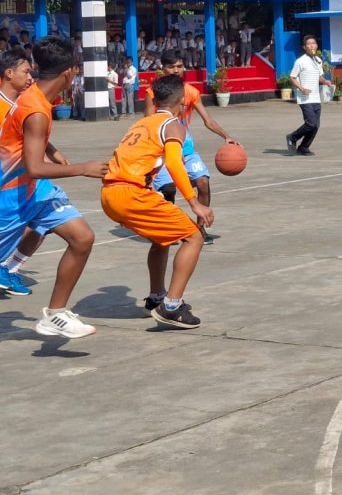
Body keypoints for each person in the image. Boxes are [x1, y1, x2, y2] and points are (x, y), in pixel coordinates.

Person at [0, 37, 108, 337]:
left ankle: (56, 313)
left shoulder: (34, 98)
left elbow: (27, 139)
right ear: (70, 72)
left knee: (82, 237)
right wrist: (82, 168)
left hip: (38, 191)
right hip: (11, 196)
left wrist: (51, 149)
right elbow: (34, 166)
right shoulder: (36, 109)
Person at [103, 74, 215, 327]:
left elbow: (126, 157)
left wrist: (121, 206)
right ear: (183, 101)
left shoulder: (141, 124)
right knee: (194, 237)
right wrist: (194, 202)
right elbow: (175, 163)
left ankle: (156, 297)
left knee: (161, 237)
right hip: (131, 193)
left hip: (112, 192)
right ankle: (172, 306)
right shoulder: (173, 124)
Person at [146, 50, 237, 243]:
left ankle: (200, 228)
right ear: (163, 69)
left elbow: (208, 120)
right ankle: (168, 229)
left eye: (179, 66)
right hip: (162, 148)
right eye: (171, 66)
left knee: (203, 182)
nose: (176, 70)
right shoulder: (154, 92)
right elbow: (148, 121)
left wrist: (226, 136)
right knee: (168, 189)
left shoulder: (191, 92)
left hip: (185, 148)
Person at [0, 47, 47, 296]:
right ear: (9, 73)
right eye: (26, 71)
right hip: (7, 182)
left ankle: (10, 268)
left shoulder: (21, 104)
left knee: (42, 219)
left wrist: (52, 151)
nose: (30, 77)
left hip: (20, 179)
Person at [286, 35, 333, 156]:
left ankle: (304, 147)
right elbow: (292, 77)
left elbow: (319, 77)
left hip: (316, 97)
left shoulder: (318, 60)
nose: (312, 45)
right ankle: (292, 137)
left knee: (316, 126)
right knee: (310, 123)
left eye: (314, 43)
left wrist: (325, 81)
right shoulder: (300, 61)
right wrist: (301, 88)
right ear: (304, 47)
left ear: (317, 46)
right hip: (305, 98)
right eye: (309, 44)